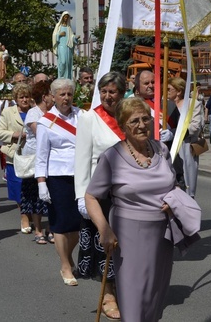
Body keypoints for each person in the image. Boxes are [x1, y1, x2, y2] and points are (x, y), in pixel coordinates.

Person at [84, 97, 179, 322]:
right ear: (123, 126)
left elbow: (173, 184)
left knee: (155, 295)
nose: (141, 125)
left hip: (163, 234)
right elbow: (91, 196)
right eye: (134, 121)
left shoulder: (161, 150)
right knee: (134, 297)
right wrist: (104, 229)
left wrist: (173, 201)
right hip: (129, 233)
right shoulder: (112, 157)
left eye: (145, 119)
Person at [74, 71, 126, 320]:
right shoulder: (89, 118)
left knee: (126, 246)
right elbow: (82, 159)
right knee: (104, 246)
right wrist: (81, 196)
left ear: (122, 93)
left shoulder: (130, 116)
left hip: (127, 195)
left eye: (112, 91)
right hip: (100, 195)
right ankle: (108, 294)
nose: (107, 96)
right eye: (103, 91)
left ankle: (126, 290)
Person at [35, 78, 81, 286]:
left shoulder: (82, 116)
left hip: (81, 175)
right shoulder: (47, 121)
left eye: (69, 94)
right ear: (53, 97)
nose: (66, 98)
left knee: (78, 224)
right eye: (62, 94)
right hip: (57, 176)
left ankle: (68, 256)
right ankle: (65, 265)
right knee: (61, 224)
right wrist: (41, 183)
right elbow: (41, 155)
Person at [0, 82, 34, 233]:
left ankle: (32, 213)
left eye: (27, 97)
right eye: (21, 97)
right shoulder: (8, 112)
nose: (25, 100)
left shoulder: (35, 111)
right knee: (18, 186)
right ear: (16, 98)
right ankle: (24, 215)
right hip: (15, 154)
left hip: (33, 155)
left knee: (32, 186)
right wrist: (15, 135)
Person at [21, 79, 52, 244]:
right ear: (44, 96)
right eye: (51, 94)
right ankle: (39, 230)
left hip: (51, 159)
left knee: (52, 194)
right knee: (36, 196)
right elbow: (41, 134)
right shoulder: (34, 113)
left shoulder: (54, 111)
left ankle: (51, 228)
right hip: (35, 159)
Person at [166, 77, 204, 197]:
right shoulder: (164, 104)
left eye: (169, 89)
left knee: (187, 182)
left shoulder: (193, 104)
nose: (166, 91)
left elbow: (195, 126)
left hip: (185, 146)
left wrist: (174, 133)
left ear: (179, 91)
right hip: (167, 145)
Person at [52, 11, 75, 80]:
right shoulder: (58, 26)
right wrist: (59, 34)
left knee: (68, 63)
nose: (66, 18)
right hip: (61, 46)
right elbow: (54, 35)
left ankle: (67, 78)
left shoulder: (68, 27)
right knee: (63, 62)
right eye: (65, 17)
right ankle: (61, 77)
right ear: (62, 17)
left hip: (68, 47)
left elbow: (71, 37)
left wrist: (75, 38)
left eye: (67, 17)